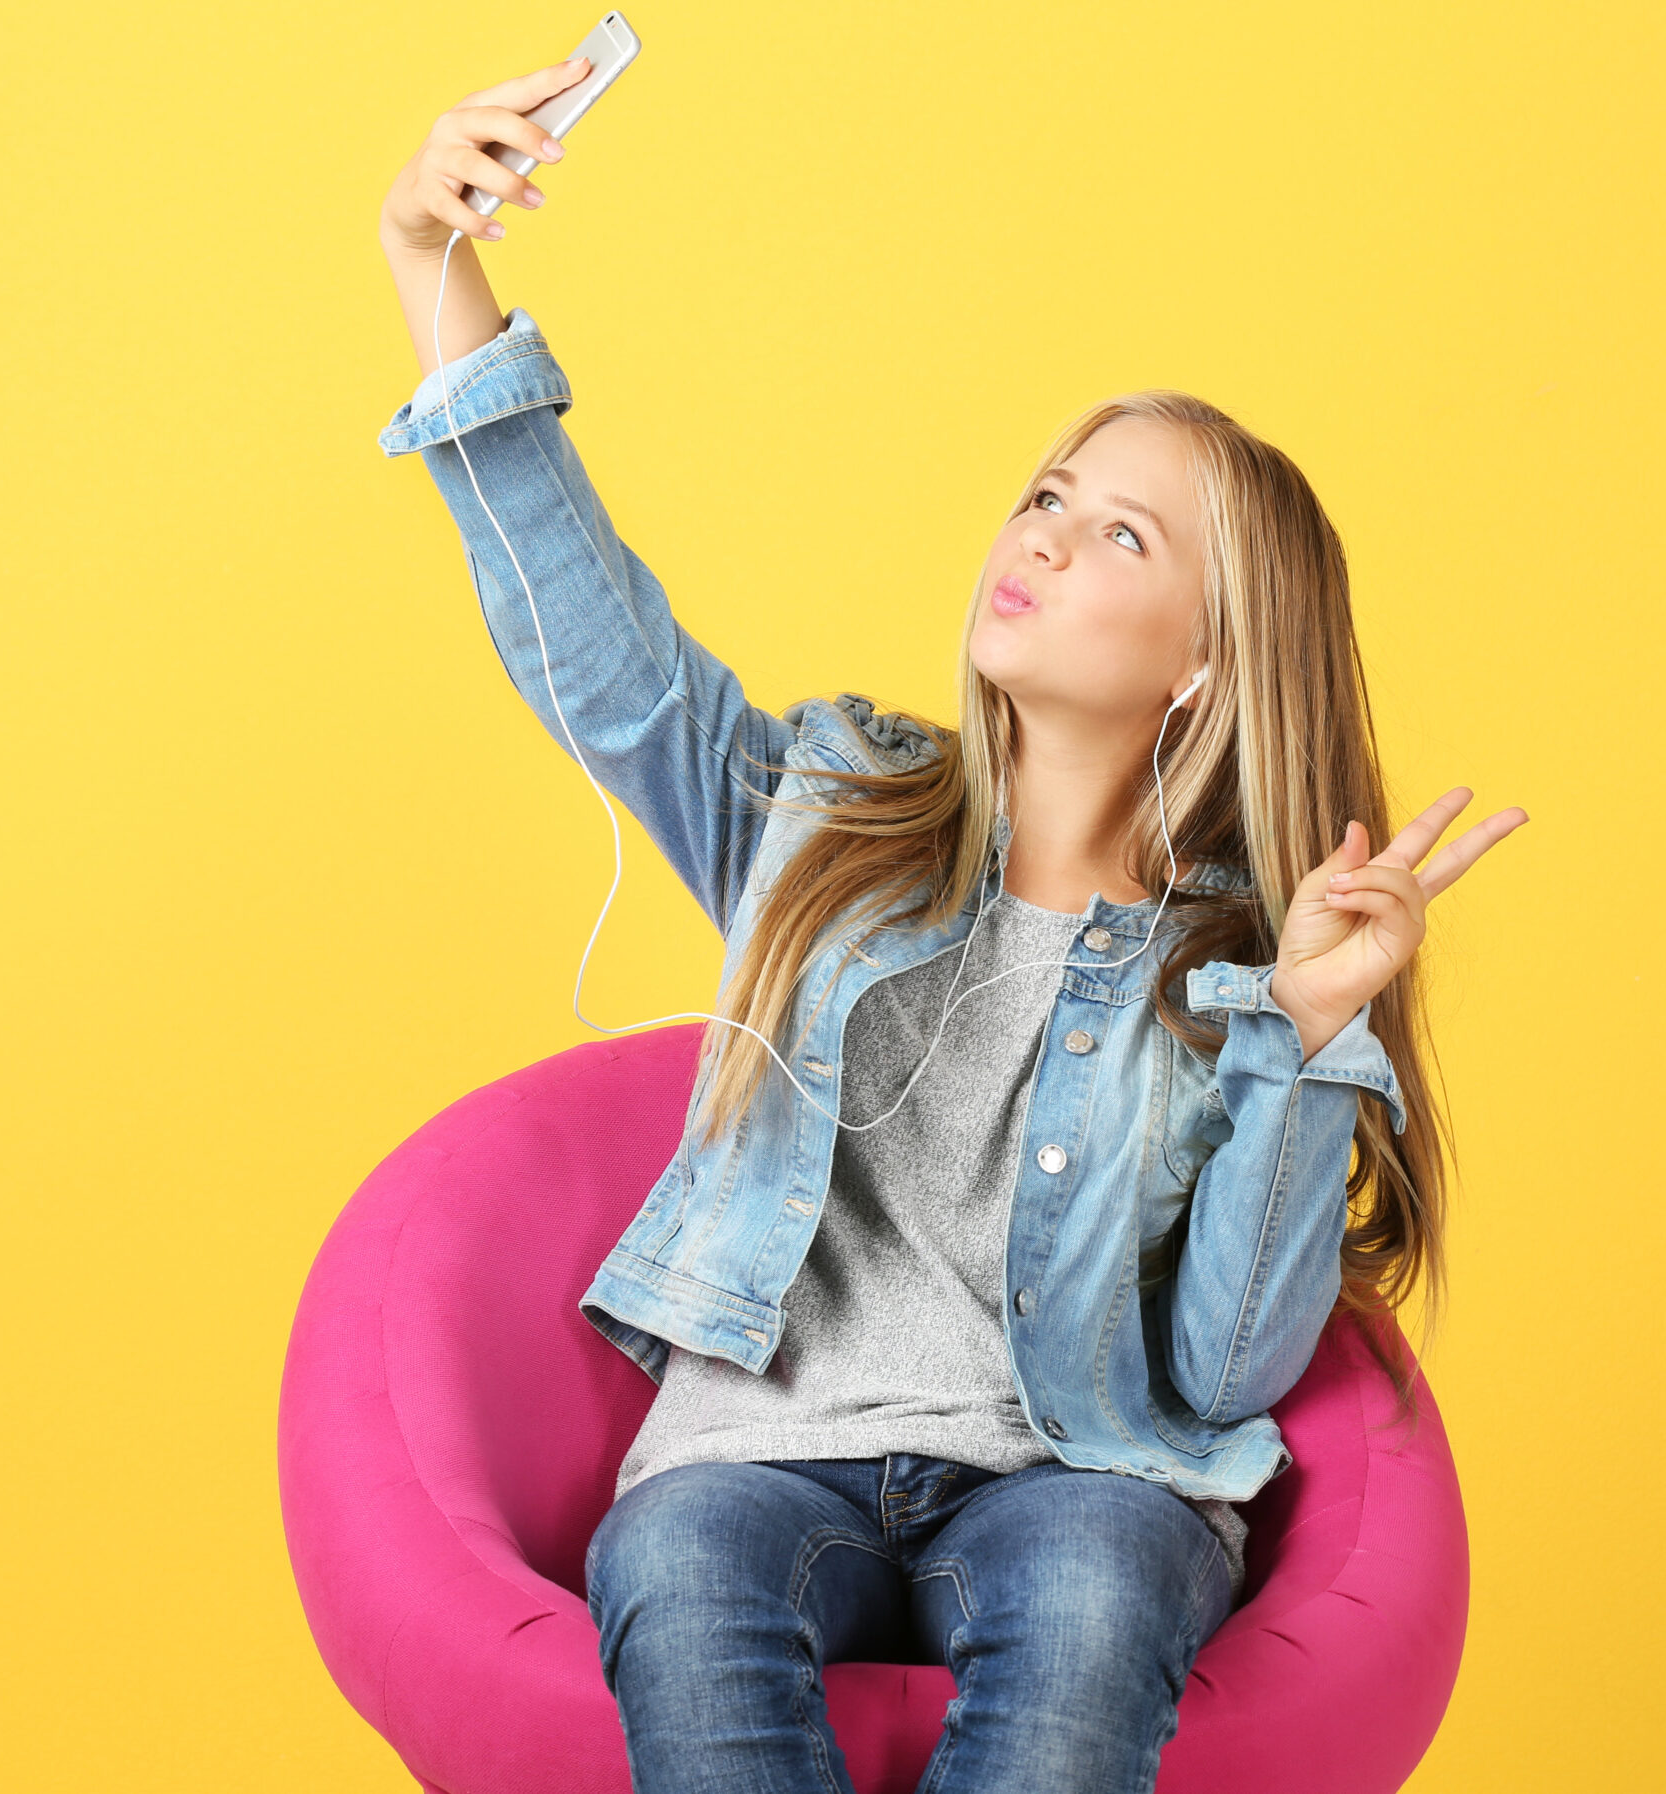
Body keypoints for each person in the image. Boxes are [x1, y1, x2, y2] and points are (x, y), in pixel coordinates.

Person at [373, 55, 1527, 1794]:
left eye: (1118, 532)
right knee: (676, 1569)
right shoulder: (830, 816)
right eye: (1051, 494)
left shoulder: (1236, 976)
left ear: (1204, 663)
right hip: (764, 1449)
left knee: (1095, 1599)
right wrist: (433, 274)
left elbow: (1228, 1364)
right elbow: (604, 662)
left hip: (1074, 1468)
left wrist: (1303, 1035)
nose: (1044, 538)